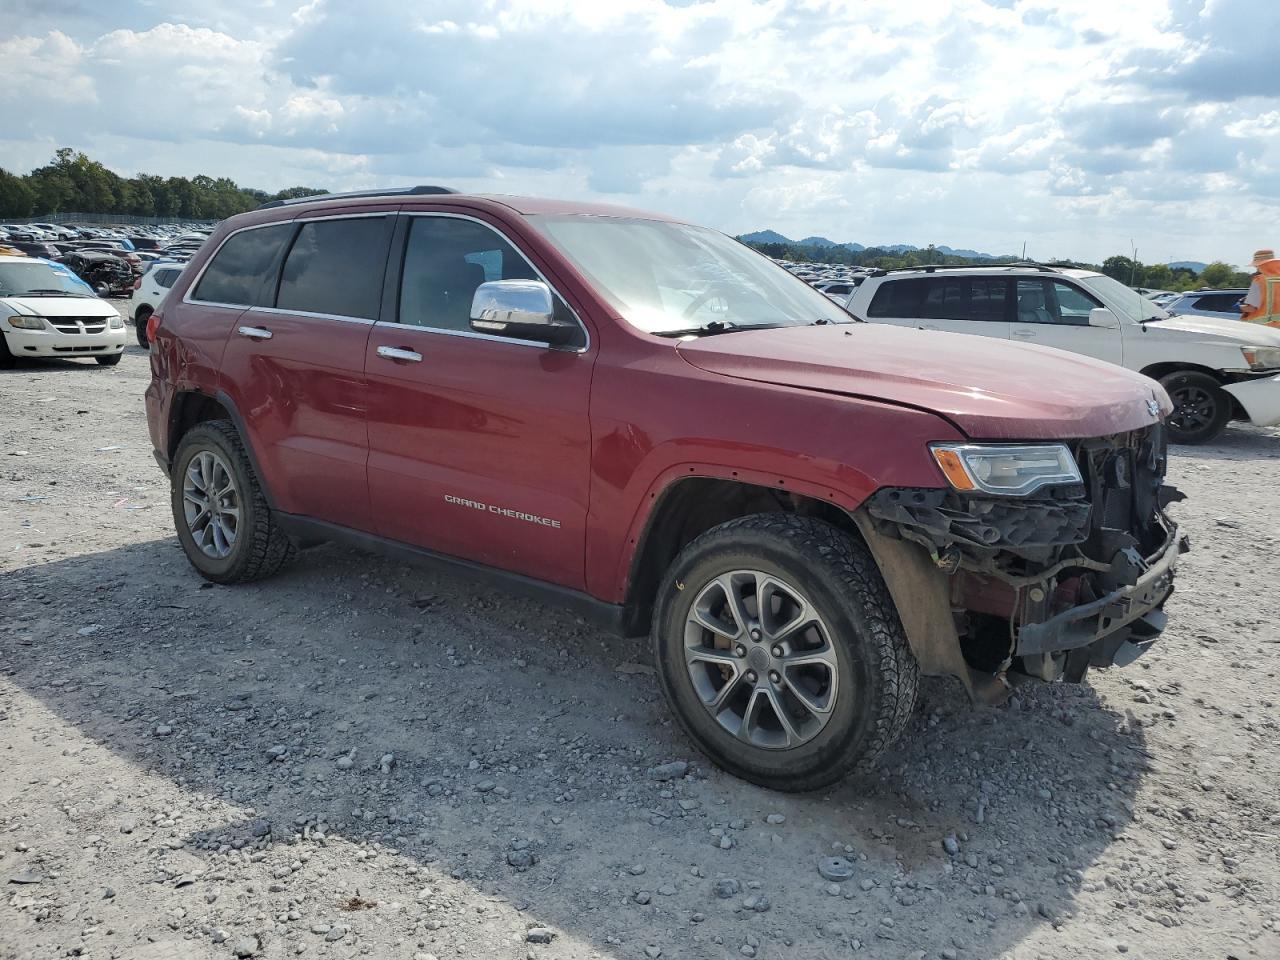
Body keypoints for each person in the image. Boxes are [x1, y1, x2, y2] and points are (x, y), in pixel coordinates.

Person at [1240, 248, 1280, 326]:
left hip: (1263, 328)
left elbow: (1251, 308)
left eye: (1257, 266)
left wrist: (1239, 306)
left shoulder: (1259, 280)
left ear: (1261, 265)